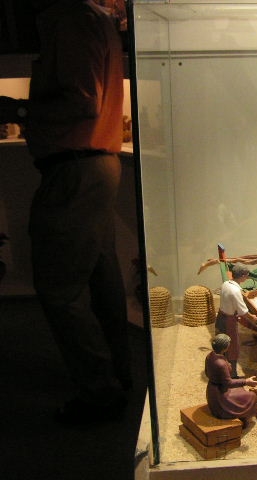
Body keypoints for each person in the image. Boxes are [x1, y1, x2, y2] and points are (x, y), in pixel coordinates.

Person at [0, 0, 130, 424]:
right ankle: (118, 376)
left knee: (60, 290)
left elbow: (81, 102)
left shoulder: (71, 18)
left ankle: (100, 392)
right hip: (92, 165)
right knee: (102, 281)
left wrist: (17, 110)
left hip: (75, 169)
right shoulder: (95, 18)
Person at [205, 334, 257, 428]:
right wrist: (246, 381)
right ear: (225, 347)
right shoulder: (221, 364)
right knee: (252, 396)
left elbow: (207, 373)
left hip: (211, 390)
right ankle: (244, 417)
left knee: (240, 389)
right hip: (220, 397)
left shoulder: (209, 356)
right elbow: (228, 383)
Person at [215, 264, 257, 377]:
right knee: (232, 348)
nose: (247, 277)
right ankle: (232, 375)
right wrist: (253, 317)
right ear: (243, 276)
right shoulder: (235, 291)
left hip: (220, 317)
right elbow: (243, 312)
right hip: (229, 321)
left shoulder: (225, 284)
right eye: (247, 275)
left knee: (221, 345)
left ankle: (220, 369)